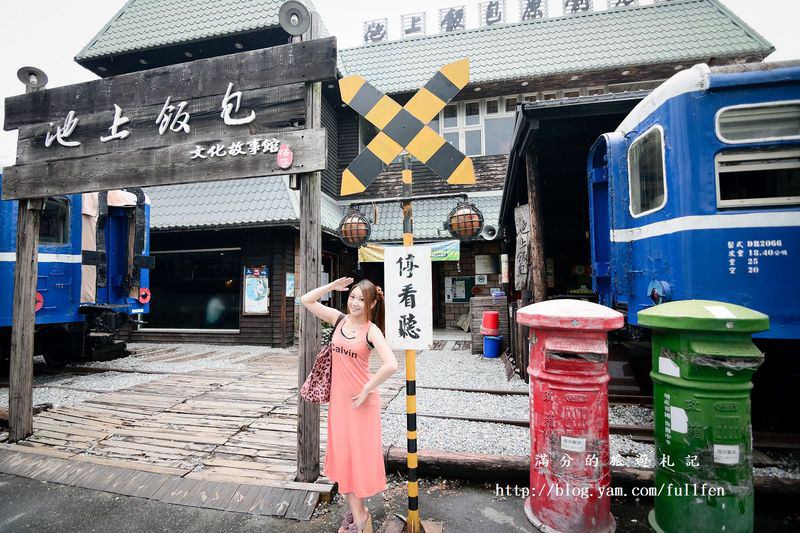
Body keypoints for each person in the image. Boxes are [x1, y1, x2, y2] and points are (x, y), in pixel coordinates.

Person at [301, 276, 398, 533]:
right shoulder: (339, 320)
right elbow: (306, 300)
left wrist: (368, 387)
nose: (354, 303)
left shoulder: (371, 330)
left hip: (361, 403)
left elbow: (391, 364)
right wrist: (332, 287)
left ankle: (360, 519)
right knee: (344, 457)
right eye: (352, 297)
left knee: (357, 460)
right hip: (339, 403)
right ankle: (360, 515)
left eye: (361, 300)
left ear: (372, 304)